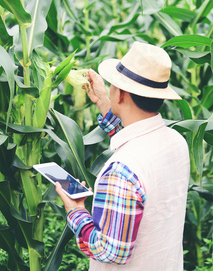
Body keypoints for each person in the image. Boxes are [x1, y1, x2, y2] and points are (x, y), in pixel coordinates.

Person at [55, 41, 190, 270]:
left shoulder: (121, 171)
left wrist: (76, 211)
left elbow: (111, 251)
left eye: (114, 85)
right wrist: (105, 104)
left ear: (122, 94)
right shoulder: (176, 142)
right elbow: (138, 142)